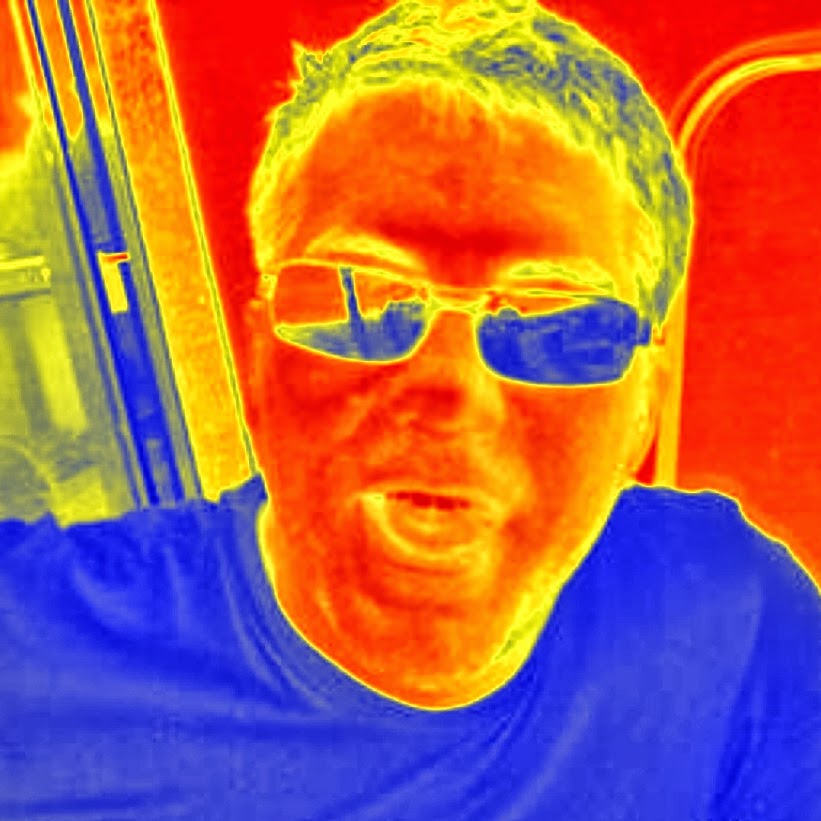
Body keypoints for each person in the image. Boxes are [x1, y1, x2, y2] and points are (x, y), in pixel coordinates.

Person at [1, 1, 819, 818]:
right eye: (359, 300)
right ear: (259, 365)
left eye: (550, 325)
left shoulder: (731, 621)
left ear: (643, 405)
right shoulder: (35, 657)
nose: (442, 390)